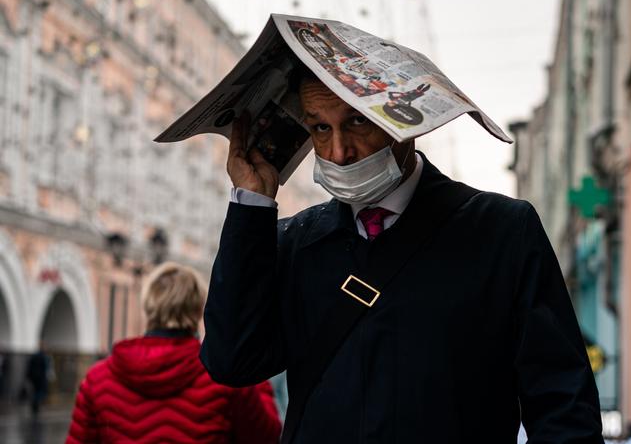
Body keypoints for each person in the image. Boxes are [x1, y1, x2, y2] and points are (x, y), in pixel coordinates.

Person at [200, 67, 604, 443]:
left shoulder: (501, 232)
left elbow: (562, 406)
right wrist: (250, 206)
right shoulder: (297, 242)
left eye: (356, 121)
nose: (339, 152)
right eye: (321, 127)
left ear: (406, 120)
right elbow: (233, 361)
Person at [66, 262, 281, 444]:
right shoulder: (224, 377)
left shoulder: (98, 379)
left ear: (148, 306)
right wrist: (252, 378)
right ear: (198, 309)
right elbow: (268, 437)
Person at [25, 343, 51, 416]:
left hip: (33, 377)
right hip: (41, 378)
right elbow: (46, 368)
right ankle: (36, 404)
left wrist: (28, 376)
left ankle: (34, 404)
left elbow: (29, 366)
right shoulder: (44, 357)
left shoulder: (34, 356)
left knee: (35, 390)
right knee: (40, 392)